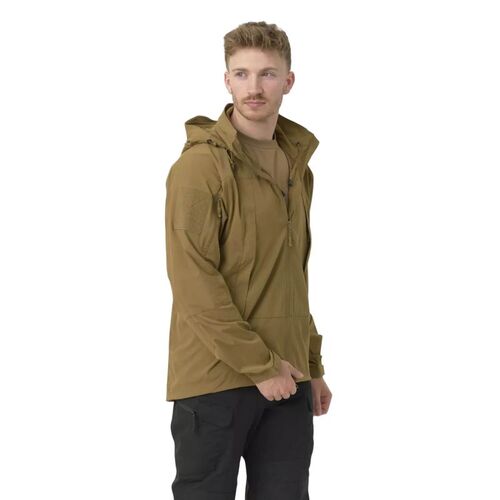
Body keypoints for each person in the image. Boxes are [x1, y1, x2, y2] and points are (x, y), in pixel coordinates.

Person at [164, 20, 333, 500]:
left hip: (288, 377)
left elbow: (290, 275)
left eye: (267, 74)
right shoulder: (200, 167)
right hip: (215, 381)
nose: (254, 87)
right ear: (227, 80)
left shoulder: (297, 167)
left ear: (288, 81)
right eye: (241, 74)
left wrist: (312, 363)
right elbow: (193, 281)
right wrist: (260, 366)